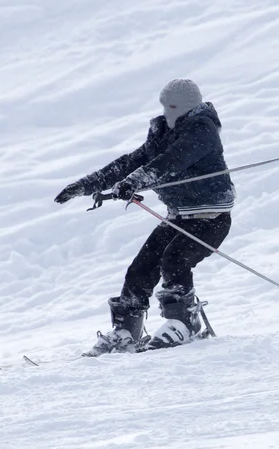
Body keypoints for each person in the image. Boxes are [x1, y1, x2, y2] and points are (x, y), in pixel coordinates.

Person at [54, 79, 235, 356]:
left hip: (210, 217)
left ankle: (185, 323)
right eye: (165, 106)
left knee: (174, 260)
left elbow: (171, 161)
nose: (167, 112)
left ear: (189, 106)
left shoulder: (202, 130)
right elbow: (132, 161)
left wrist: (135, 181)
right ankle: (127, 331)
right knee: (141, 267)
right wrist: (86, 184)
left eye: (173, 106)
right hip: (179, 217)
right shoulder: (162, 132)